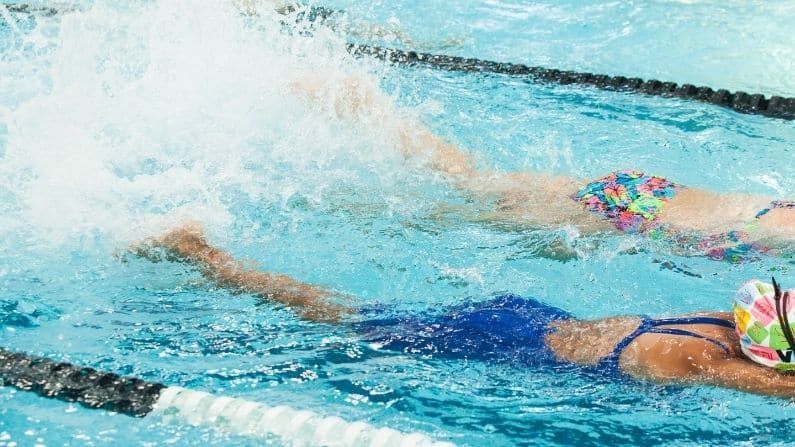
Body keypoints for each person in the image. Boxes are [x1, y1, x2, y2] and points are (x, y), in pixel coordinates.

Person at [133, 224, 795, 399]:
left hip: (528, 312)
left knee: (352, 307)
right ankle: (206, 258)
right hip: (490, 338)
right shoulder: (696, 357)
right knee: (329, 312)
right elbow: (778, 388)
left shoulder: (716, 319)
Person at [288, 73, 795, 263]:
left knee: (471, 184)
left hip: (642, 195)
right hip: (622, 213)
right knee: (444, 210)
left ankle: (369, 112)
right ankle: (324, 202)